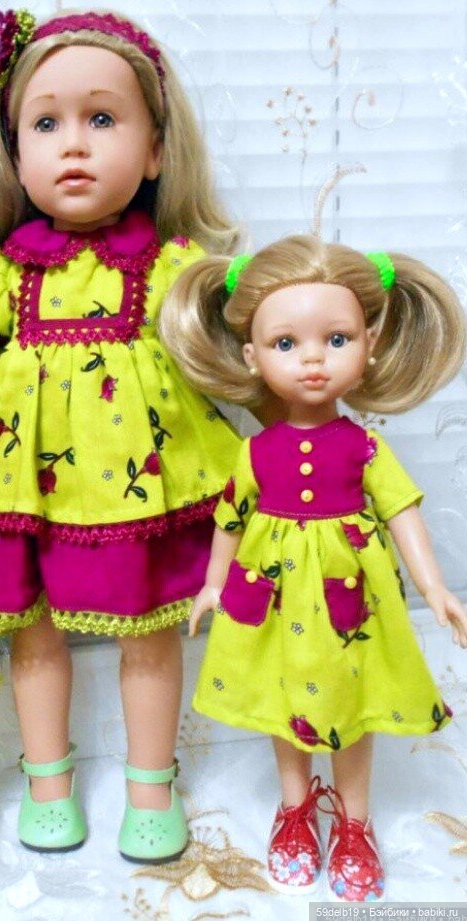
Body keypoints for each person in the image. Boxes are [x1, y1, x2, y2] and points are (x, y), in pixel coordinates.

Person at [0, 8, 240, 863]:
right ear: (12, 153)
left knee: (149, 631)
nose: (73, 145)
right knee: (31, 631)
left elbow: (233, 330)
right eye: (45, 124)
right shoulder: (6, 273)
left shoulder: (168, 266)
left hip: (138, 479)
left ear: (155, 150)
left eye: (102, 119)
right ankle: (47, 783)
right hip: (24, 483)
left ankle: (151, 787)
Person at [160, 234, 467, 900]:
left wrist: (435, 587)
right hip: (270, 600)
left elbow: (402, 510)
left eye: (335, 339)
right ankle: (294, 811)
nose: (311, 360)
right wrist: (212, 584)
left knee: (351, 708)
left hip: (348, 602)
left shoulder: (364, 446)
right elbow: (229, 520)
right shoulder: (254, 451)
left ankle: (354, 824)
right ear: (252, 355)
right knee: (284, 706)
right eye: (284, 343)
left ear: (369, 344)